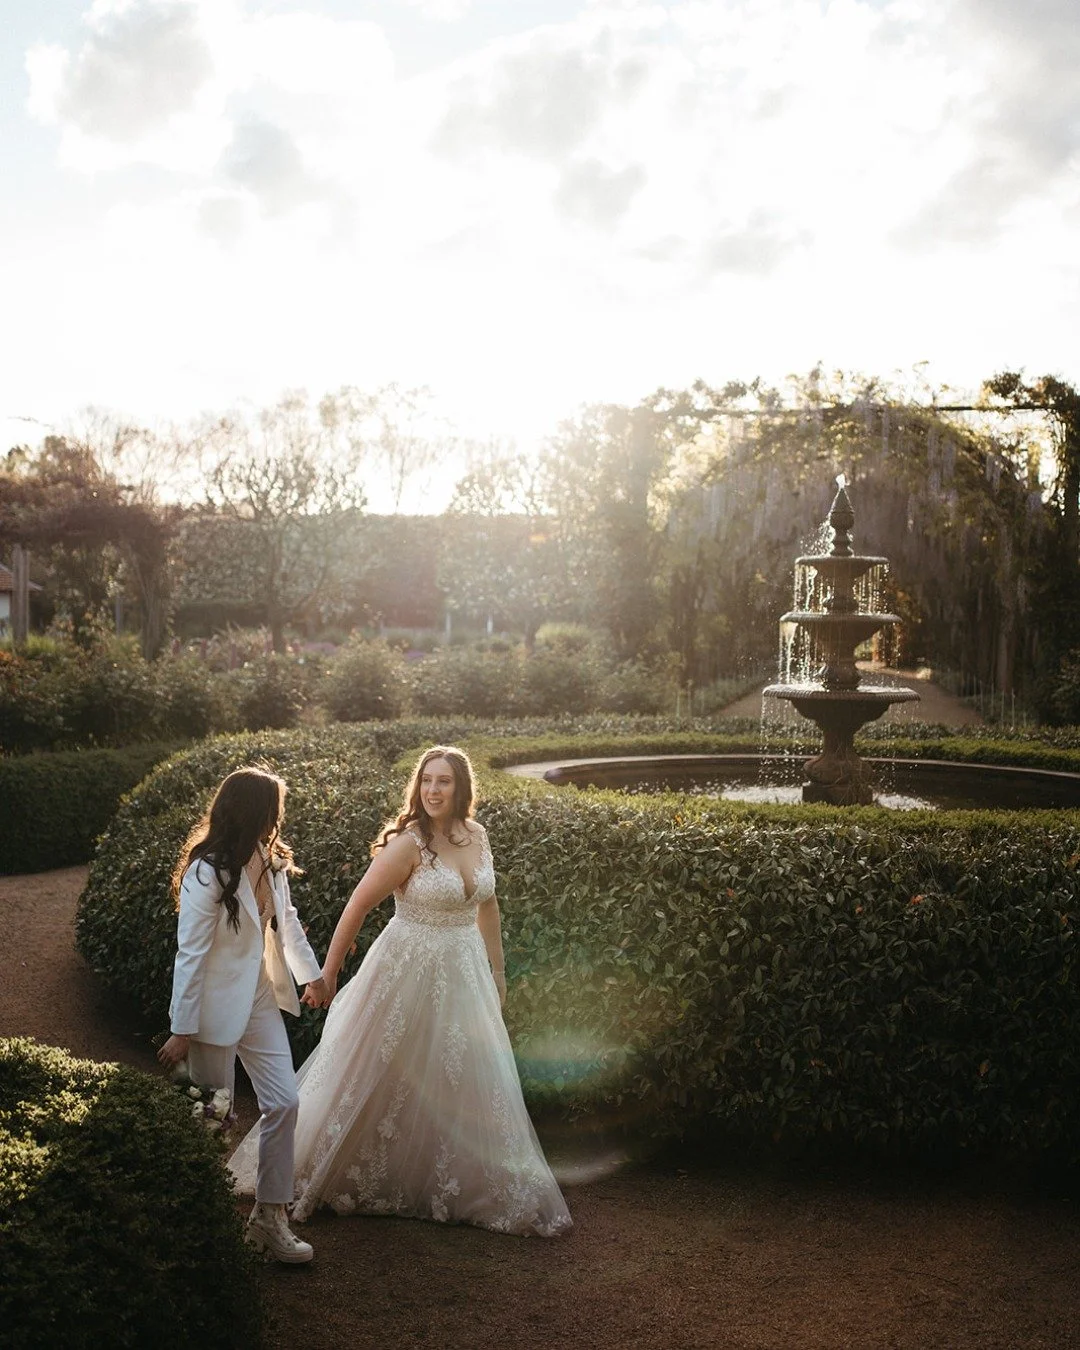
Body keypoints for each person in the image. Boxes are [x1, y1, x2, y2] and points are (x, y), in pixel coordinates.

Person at [227, 746, 572, 1237]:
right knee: (375, 1067)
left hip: (464, 968)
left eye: (444, 781)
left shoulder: (477, 836)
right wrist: (327, 975)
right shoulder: (409, 844)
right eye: (427, 780)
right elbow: (358, 906)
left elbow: (487, 906)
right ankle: (314, 1172)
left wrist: (498, 973)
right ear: (418, 786)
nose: (433, 790)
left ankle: (448, 1178)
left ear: (461, 788)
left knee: (461, 1074)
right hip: (407, 967)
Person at [157, 765, 328, 1264]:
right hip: (210, 1012)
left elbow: (287, 922)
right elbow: (189, 953)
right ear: (254, 811)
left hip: (258, 998)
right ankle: (199, 1229)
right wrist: (182, 1030)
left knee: (284, 1102)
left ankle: (269, 1219)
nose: (279, 818)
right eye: (273, 808)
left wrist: (310, 976)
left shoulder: (268, 859)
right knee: (211, 1118)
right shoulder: (204, 871)